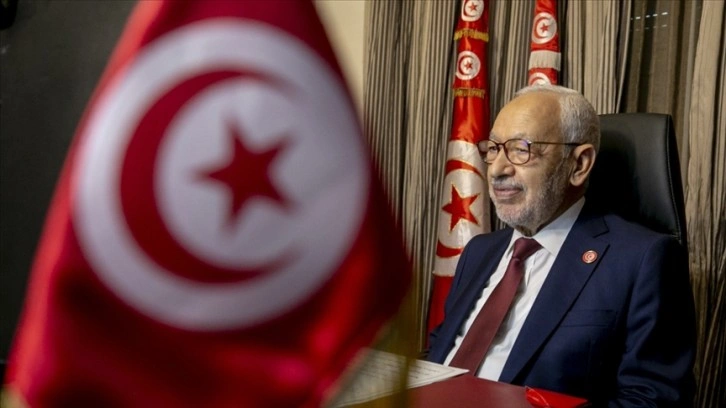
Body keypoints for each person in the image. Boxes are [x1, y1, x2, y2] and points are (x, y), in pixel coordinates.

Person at [427, 85, 696, 406]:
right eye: (494, 149)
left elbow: (652, 400)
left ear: (579, 164)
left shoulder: (643, 260)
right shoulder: (479, 251)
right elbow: (440, 351)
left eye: (521, 149)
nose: (497, 169)